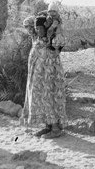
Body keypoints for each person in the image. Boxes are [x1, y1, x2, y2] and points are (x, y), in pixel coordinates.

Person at [22, 10, 67, 139]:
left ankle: (56, 129)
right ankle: (48, 127)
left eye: (41, 27)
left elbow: (59, 44)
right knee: (41, 99)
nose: (38, 30)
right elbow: (26, 22)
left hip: (50, 77)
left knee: (49, 99)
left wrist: (53, 23)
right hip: (38, 77)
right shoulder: (36, 39)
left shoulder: (51, 40)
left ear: (45, 27)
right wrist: (41, 15)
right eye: (37, 28)